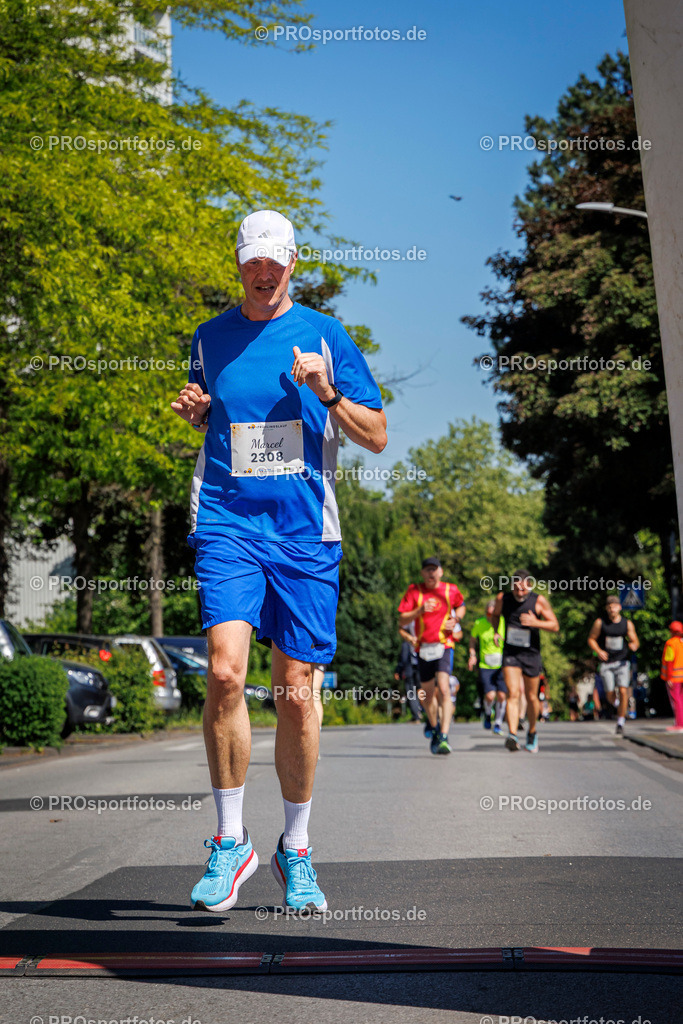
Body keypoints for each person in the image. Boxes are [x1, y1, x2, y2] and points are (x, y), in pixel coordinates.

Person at [171, 209, 386, 913]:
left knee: (296, 697)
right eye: (251, 264)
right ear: (238, 264)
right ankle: (230, 842)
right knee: (226, 673)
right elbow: (218, 418)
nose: (263, 274)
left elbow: (376, 436)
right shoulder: (209, 338)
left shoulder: (325, 335)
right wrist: (197, 413)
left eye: (275, 263)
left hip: (303, 534)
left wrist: (326, 391)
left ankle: (295, 849)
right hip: (229, 521)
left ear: (293, 262)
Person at [398, 557, 466, 755]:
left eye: (434, 570)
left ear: (441, 572)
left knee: (444, 688)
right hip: (423, 648)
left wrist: (456, 619)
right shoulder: (414, 591)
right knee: (427, 695)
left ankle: (444, 735)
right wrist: (419, 610)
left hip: (444, 645)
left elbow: (461, 605)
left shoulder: (450, 590)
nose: (431, 573)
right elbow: (402, 619)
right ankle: (435, 727)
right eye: (427, 570)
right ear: (422, 573)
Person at [492, 570, 559, 753]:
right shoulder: (503, 599)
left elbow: (554, 625)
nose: (520, 593)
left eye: (523, 589)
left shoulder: (538, 601)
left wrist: (536, 622)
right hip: (511, 652)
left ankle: (532, 731)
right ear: (512, 585)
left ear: (529, 585)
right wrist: (496, 631)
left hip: (531, 653)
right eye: (516, 588)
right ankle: (512, 734)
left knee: (531, 697)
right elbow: (495, 615)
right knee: (512, 693)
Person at [587, 595, 640, 736]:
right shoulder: (600, 623)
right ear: (606, 608)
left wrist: (634, 645)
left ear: (620, 608)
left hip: (622, 662)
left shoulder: (627, 624)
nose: (612, 609)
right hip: (606, 663)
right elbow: (591, 639)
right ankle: (617, 704)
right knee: (609, 694)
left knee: (623, 691)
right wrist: (598, 651)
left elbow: (635, 640)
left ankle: (621, 722)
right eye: (609, 607)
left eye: (614, 606)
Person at [468, 600, 507, 734]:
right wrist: (472, 655)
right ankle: (488, 712)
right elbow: (472, 640)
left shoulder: (503, 622)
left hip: (502, 664)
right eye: (488, 614)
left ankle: (498, 723)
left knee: (502, 695)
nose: (490, 617)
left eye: (492, 614)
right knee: (490, 696)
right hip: (485, 665)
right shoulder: (480, 623)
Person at [394, 631, 423, 721]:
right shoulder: (419, 642)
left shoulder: (406, 644)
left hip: (409, 670)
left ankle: (416, 714)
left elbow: (403, 658)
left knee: (410, 692)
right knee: (419, 690)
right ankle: (421, 709)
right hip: (419, 670)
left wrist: (398, 670)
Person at [660, 620, 683, 730]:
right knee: (681, 700)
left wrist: (669, 677)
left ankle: (679, 724)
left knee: (676, 701)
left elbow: (669, 660)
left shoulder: (671, 643)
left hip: (674, 677)